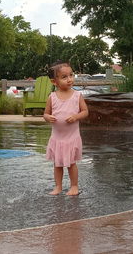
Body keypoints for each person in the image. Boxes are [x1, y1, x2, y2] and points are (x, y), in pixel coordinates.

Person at [43, 61, 89, 196]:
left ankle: (74, 186)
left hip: (71, 137)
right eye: (64, 77)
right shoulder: (52, 97)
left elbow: (85, 111)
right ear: (54, 82)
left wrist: (76, 116)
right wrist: (47, 117)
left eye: (71, 75)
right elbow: (45, 113)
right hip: (57, 138)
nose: (69, 79)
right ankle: (58, 186)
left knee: (71, 163)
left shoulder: (77, 95)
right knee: (57, 164)